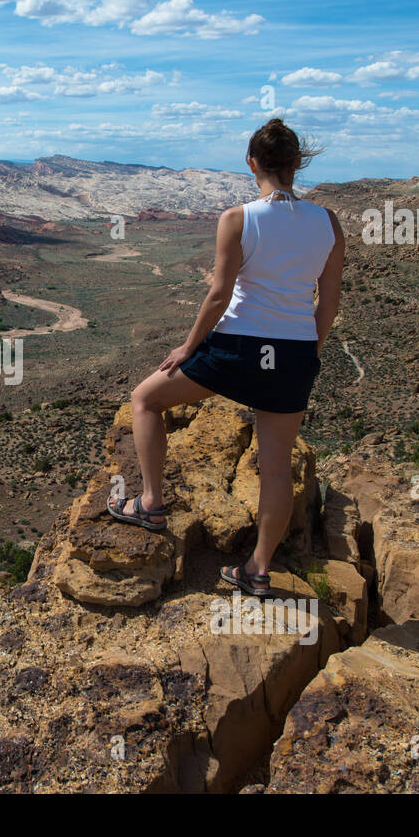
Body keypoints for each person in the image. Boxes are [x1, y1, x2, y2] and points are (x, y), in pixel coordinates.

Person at [107, 118, 345, 598]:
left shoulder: (238, 218)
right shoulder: (328, 222)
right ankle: (257, 569)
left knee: (146, 400)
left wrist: (188, 348)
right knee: (276, 469)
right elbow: (330, 300)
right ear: (297, 164)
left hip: (237, 348)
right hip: (294, 353)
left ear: (251, 163)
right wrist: (309, 353)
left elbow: (219, 295)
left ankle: (151, 504)